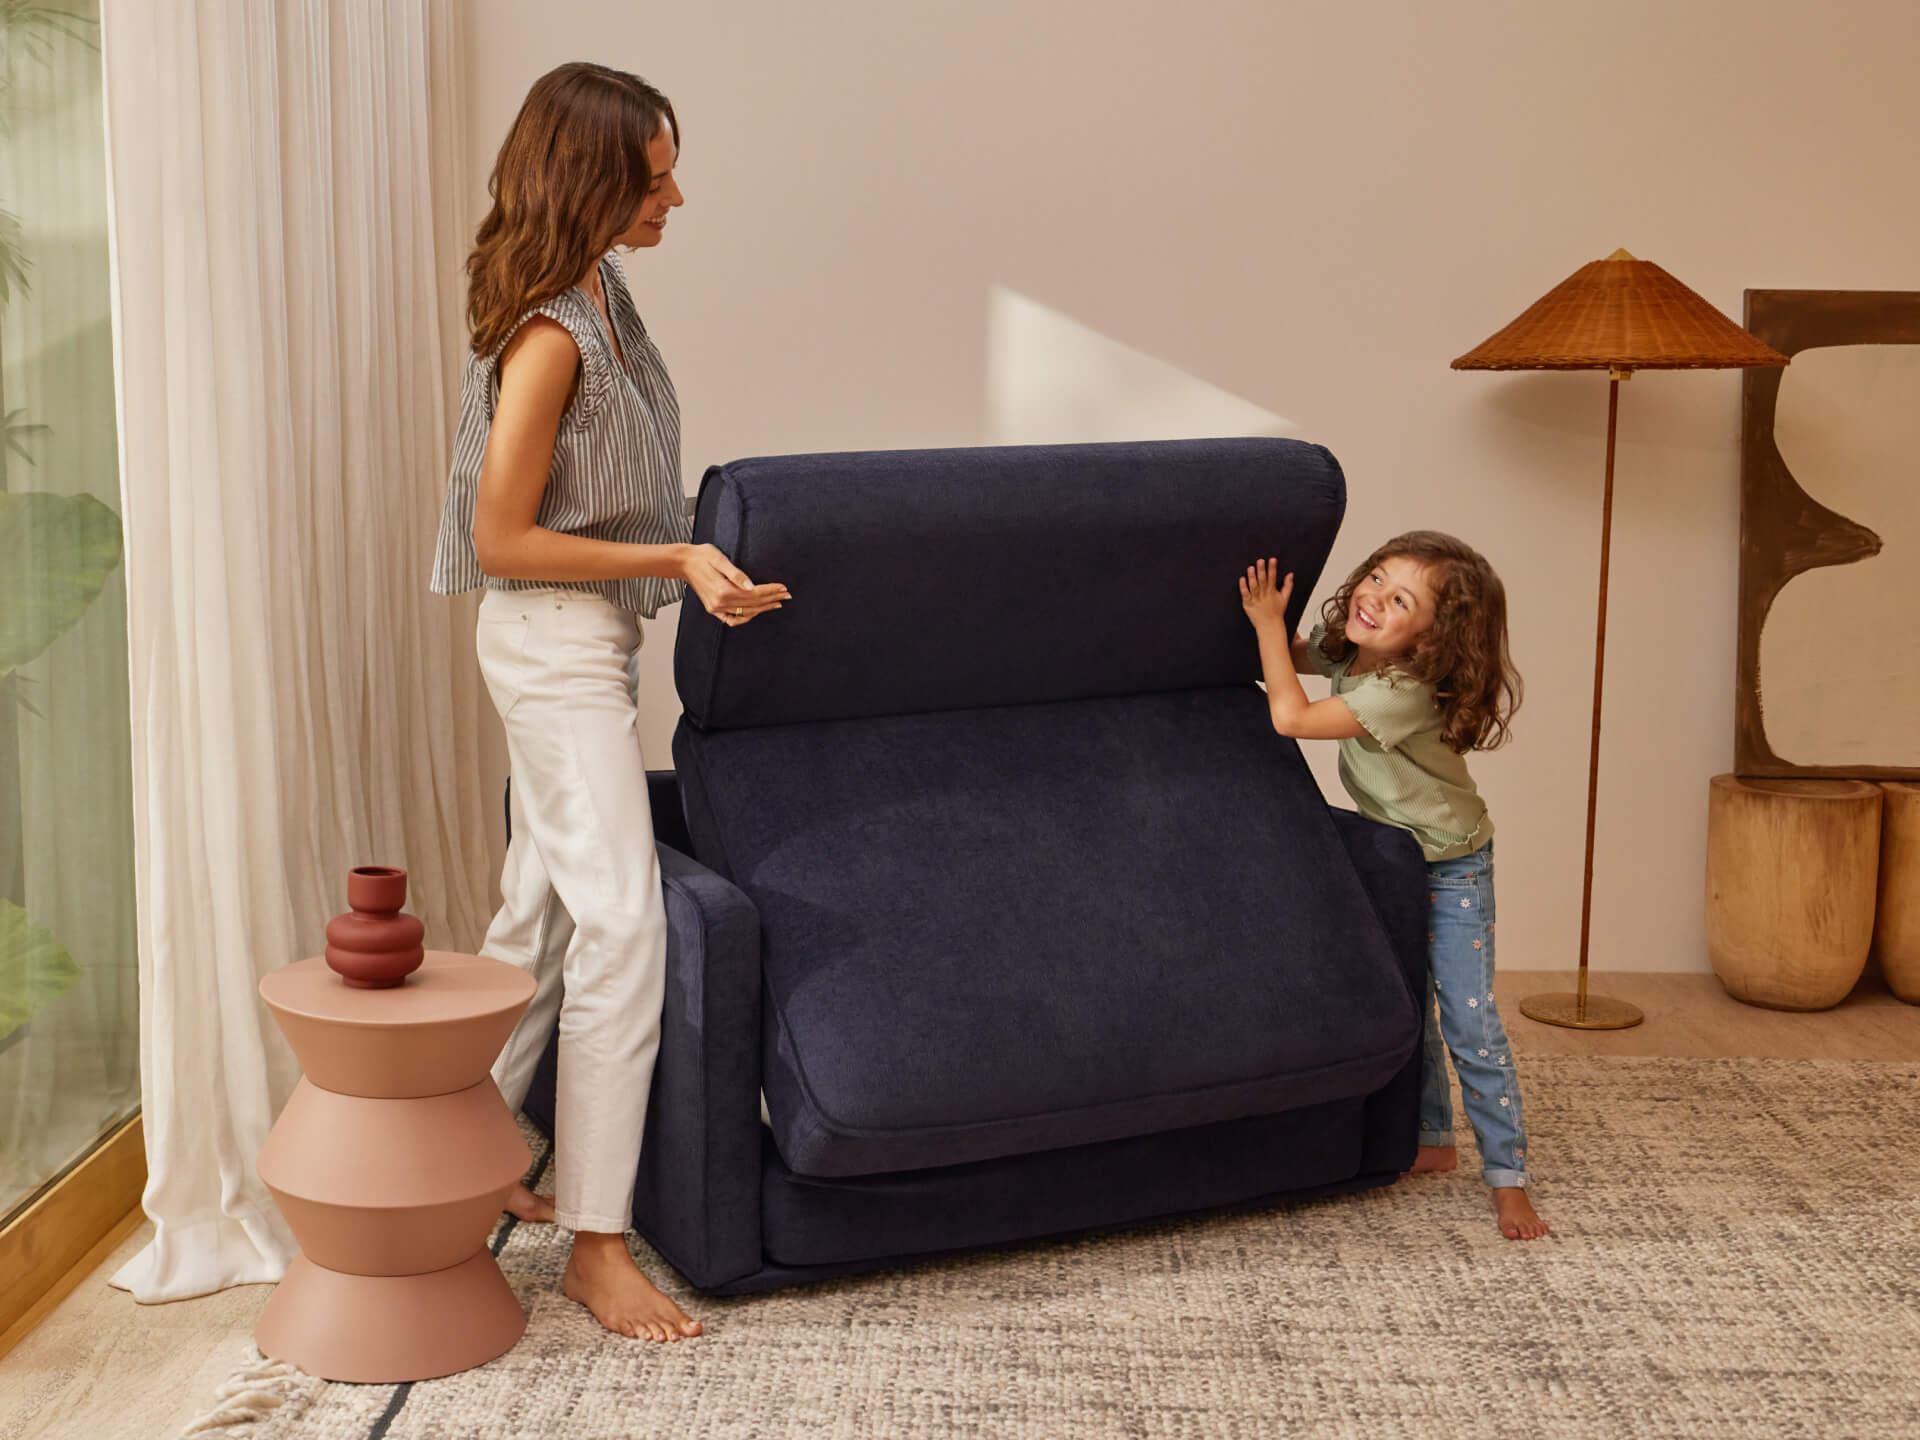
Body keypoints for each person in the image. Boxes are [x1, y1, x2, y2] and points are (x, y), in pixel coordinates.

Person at [430, 62, 789, 1340]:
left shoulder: (607, 295)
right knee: (627, 928)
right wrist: (675, 560)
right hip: (547, 641)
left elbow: (616, 497)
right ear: (588, 178)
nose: (675, 197)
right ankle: (594, 1240)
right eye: (652, 178)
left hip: (589, 641)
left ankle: (452, 1175)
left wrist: (708, 561)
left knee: (534, 922)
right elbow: (505, 538)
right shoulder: (546, 337)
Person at [1237, 534, 1547, 1240]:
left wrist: (1263, 627)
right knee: (1410, 1004)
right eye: (1377, 576)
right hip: (1395, 855)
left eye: (1400, 599)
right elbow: (1294, 660)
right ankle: (1434, 1140)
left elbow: (1292, 717)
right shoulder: (1356, 648)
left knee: (1469, 1026)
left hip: (1452, 866)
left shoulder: (1403, 689)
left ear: (1434, 638)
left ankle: (1509, 1179)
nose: (1373, 597)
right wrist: (1272, 629)